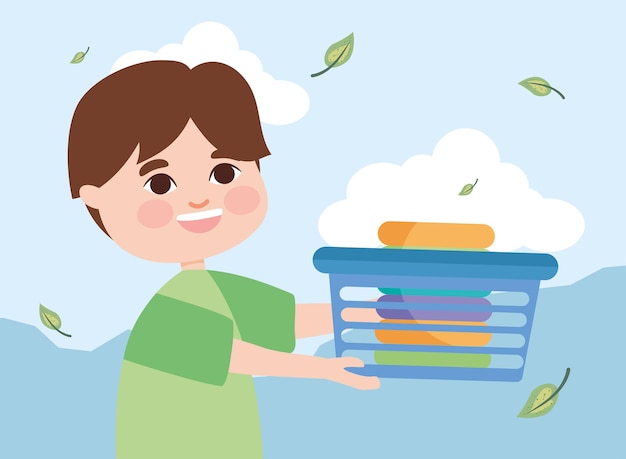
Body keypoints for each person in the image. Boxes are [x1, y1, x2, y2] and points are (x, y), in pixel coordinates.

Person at [67, 60, 379, 459]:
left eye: (225, 173)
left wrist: (373, 311)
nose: (199, 199)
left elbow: (290, 319)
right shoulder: (169, 309)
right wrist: (324, 369)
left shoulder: (211, 287)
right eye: (160, 183)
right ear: (96, 196)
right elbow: (234, 356)